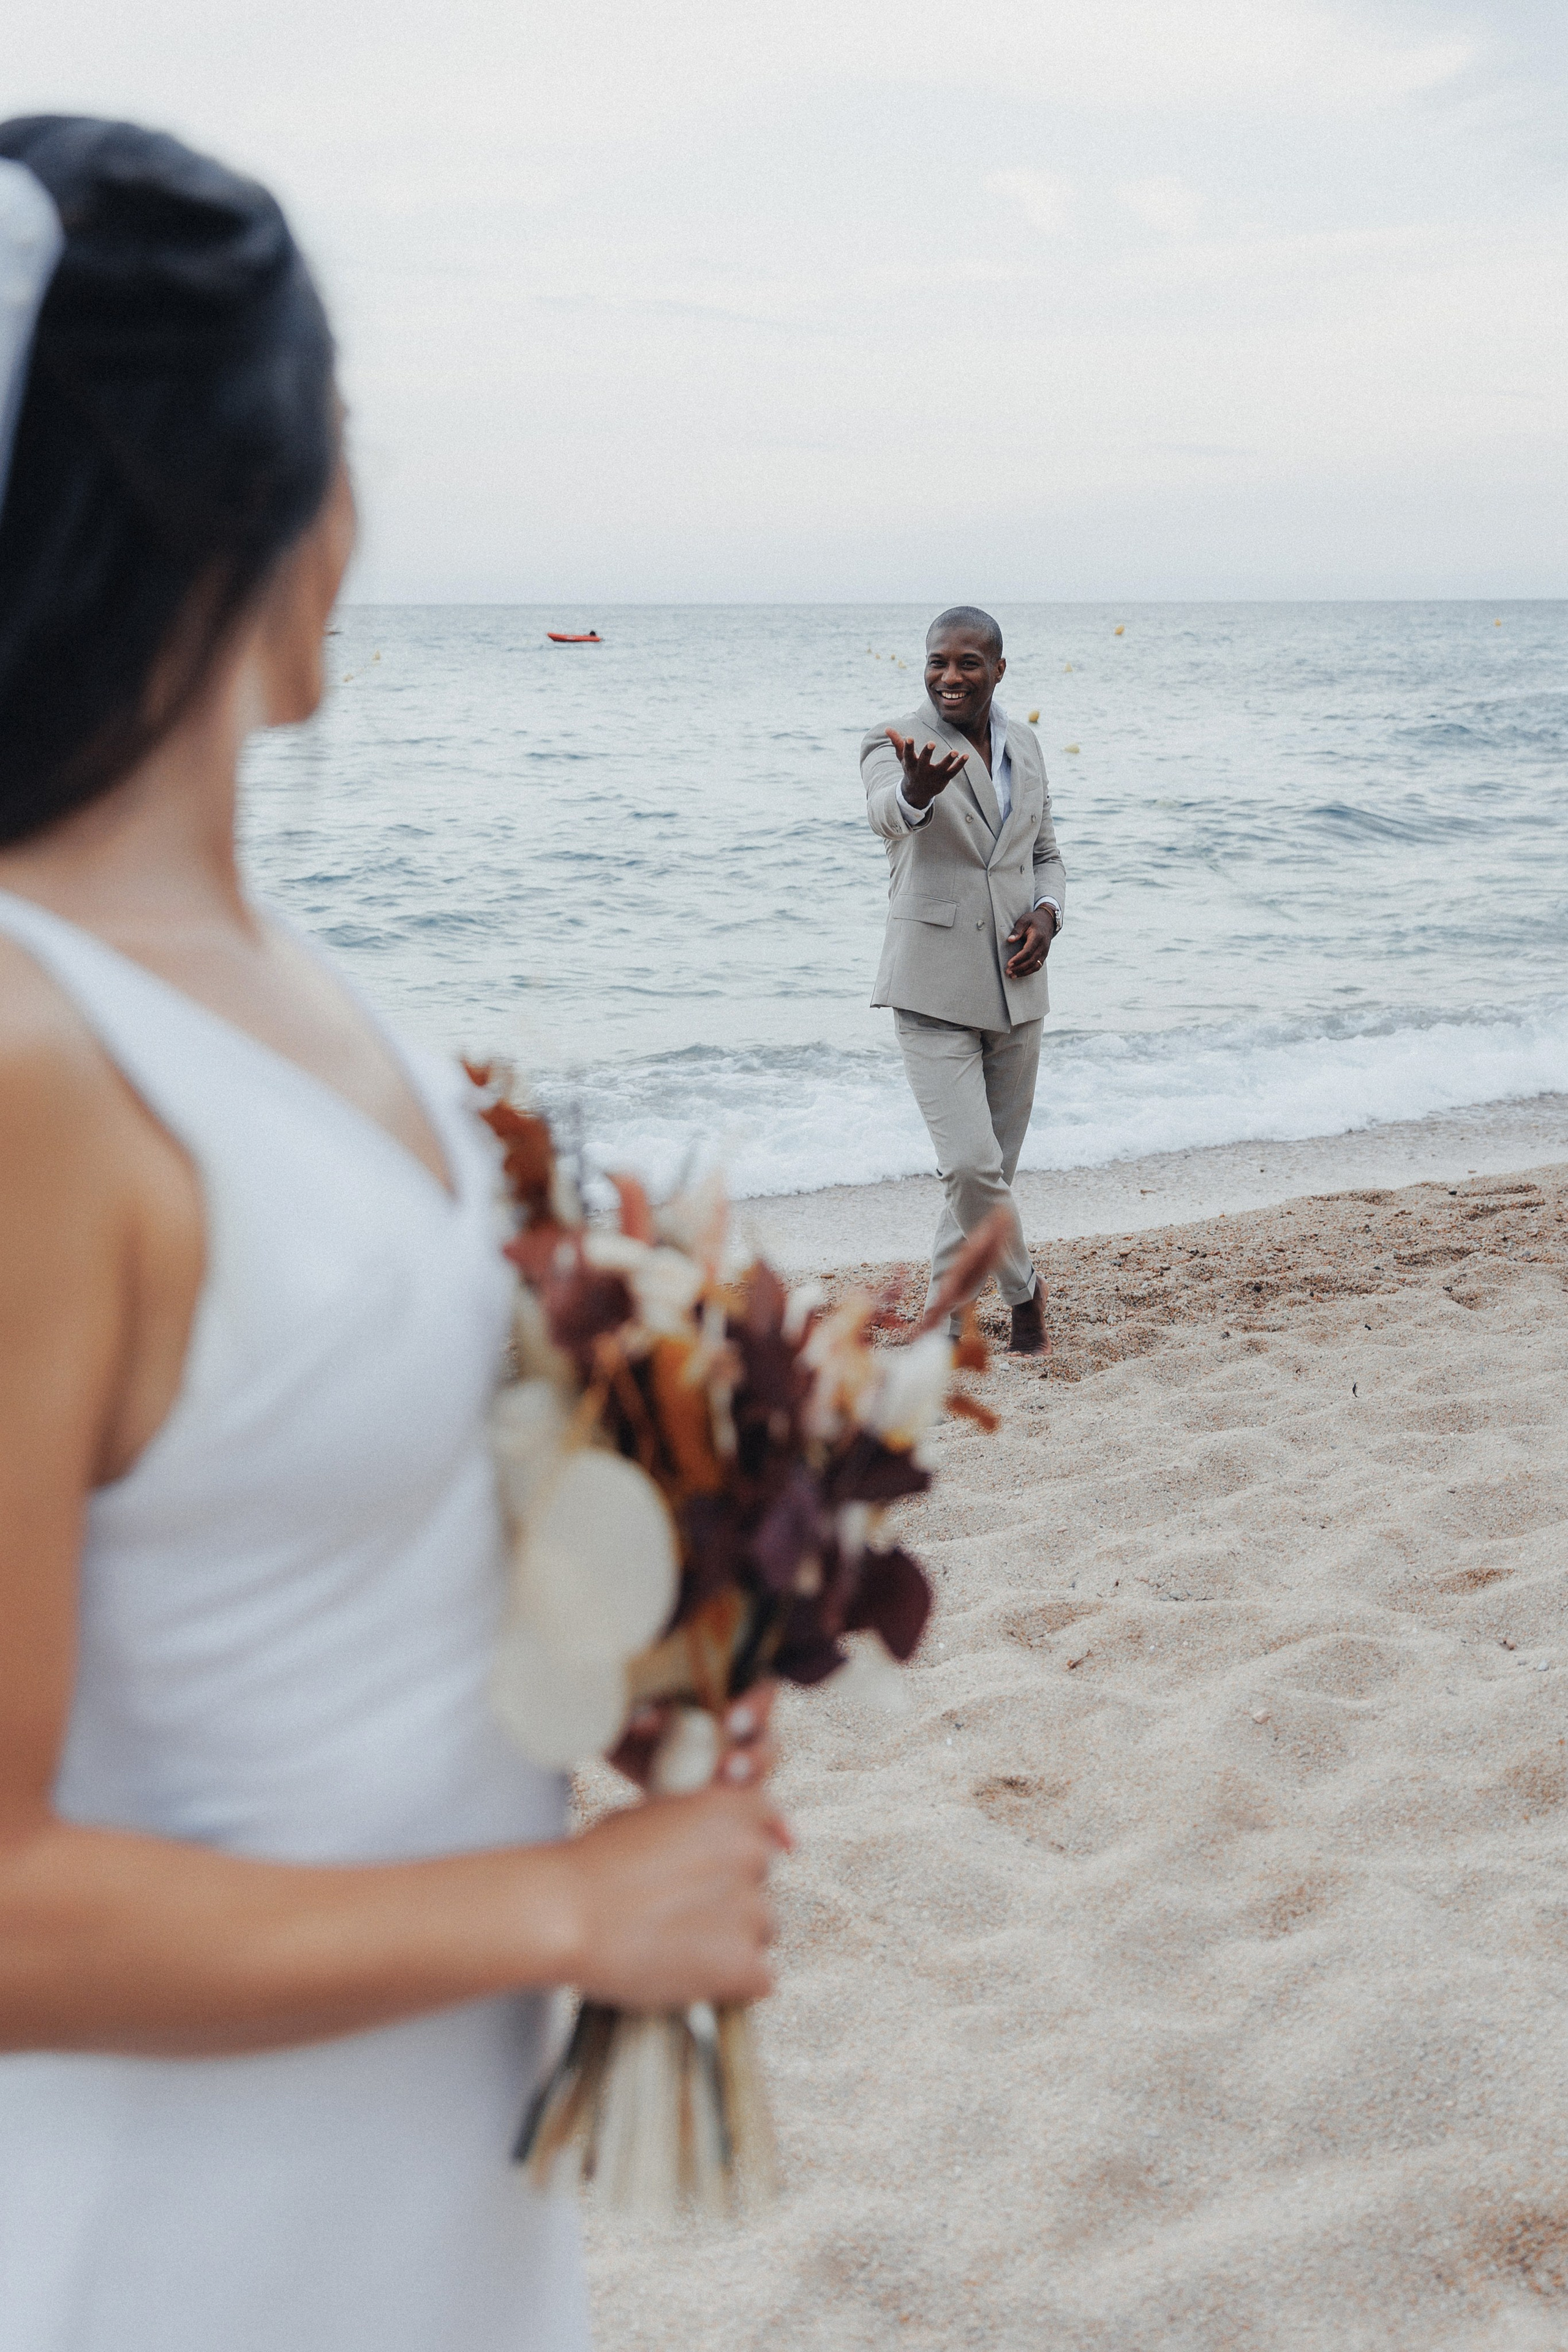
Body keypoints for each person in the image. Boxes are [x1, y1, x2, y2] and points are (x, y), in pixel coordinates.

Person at [0, 118, 783, 2352]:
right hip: (164, 2255)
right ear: (248, 493)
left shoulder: (304, 991)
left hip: (422, 2211)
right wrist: (560, 1905)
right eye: (343, 441)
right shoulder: (30, 1058)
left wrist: (659, 1604)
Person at [861, 608, 1066, 1353]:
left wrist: (1047, 914)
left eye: (967, 663)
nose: (949, 677)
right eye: (937, 662)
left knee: (984, 1178)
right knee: (971, 1167)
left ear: (998, 670)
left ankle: (945, 1323)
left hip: (1017, 984)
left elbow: (1044, 852)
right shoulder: (894, 740)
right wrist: (914, 793)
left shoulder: (1026, 745)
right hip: (931, 986)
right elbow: (885, 814)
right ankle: (1024, 1290)